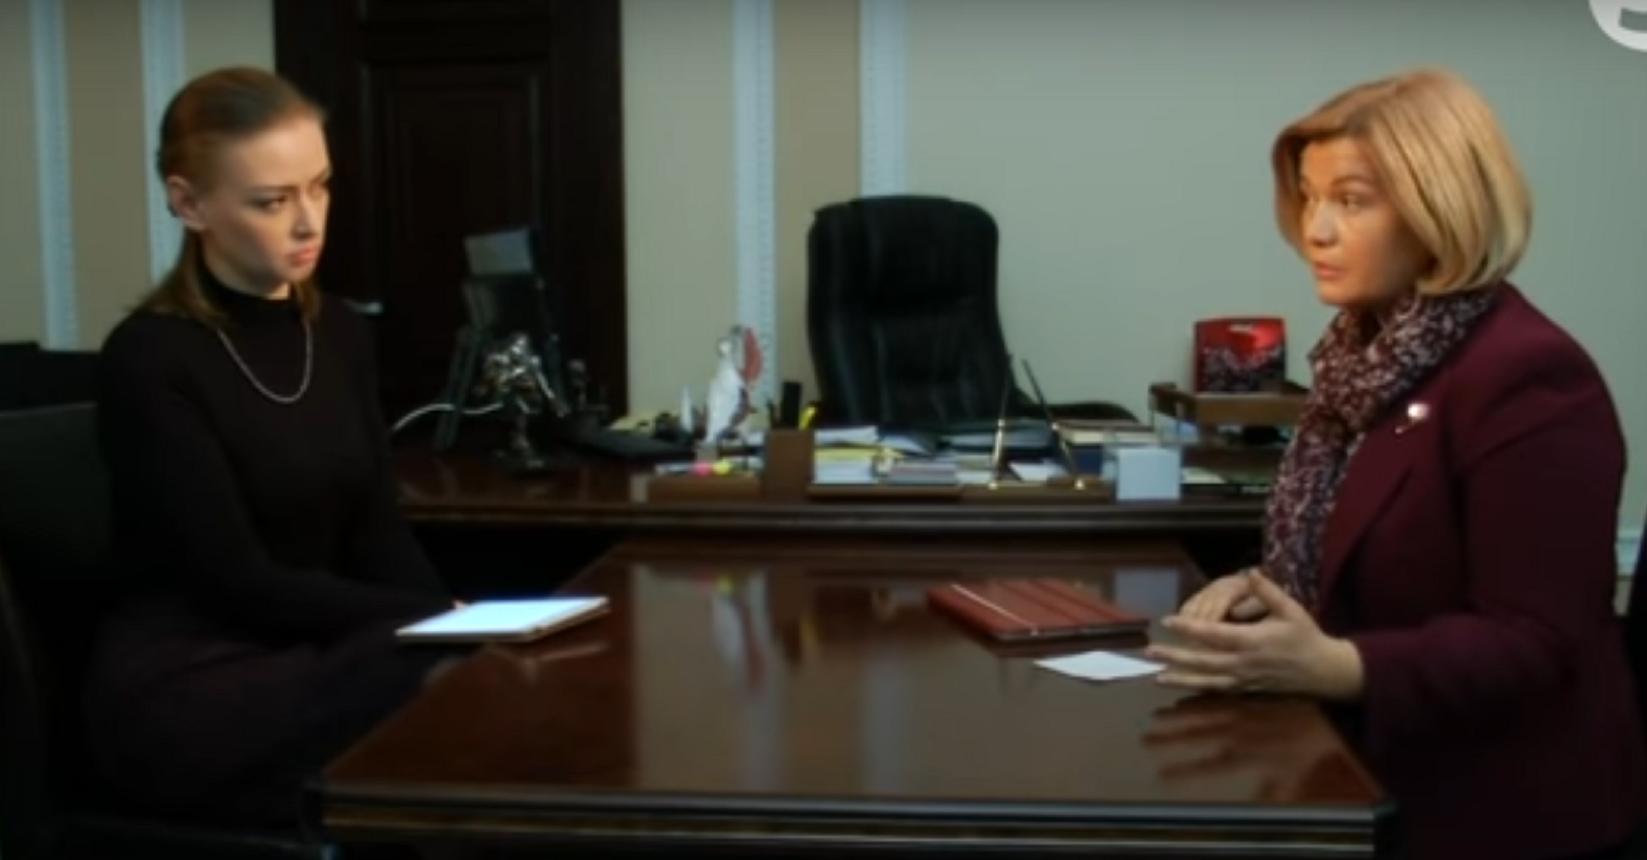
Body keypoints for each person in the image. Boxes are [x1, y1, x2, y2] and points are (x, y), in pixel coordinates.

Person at [1145, 67, 1647, 860]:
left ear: (1439, 208)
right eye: (1308, 197)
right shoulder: (1360, 357)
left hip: (1498, 814)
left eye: (1351, 201)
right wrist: (1263, 587)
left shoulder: (1528, 377)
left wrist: (1338, 665)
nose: (1315, 230)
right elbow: (1360, 549)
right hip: (1355, 768)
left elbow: (1535, 640)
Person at [83, 67, 463, 828]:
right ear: (188, 203)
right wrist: (433, 620)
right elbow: (233, 580)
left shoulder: (340, 332)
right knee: (441, 684)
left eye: (319, 187)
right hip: (193, 674)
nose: (308, 223)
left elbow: (378, 536)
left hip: (315, 647)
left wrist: (459, 618)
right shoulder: (150, 357)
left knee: (486, 671)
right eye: (272, 201)